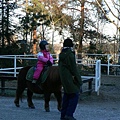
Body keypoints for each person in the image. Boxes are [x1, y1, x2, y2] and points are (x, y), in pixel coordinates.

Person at [58, 38, 83, 120]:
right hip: (69, 79)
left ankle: (63, 115)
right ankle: (69, 114)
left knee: (66, 95)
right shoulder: (70, 55)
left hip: (63, 78)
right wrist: (79, 81)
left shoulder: (62, 54)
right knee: (74, 95)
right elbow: (74, 69)